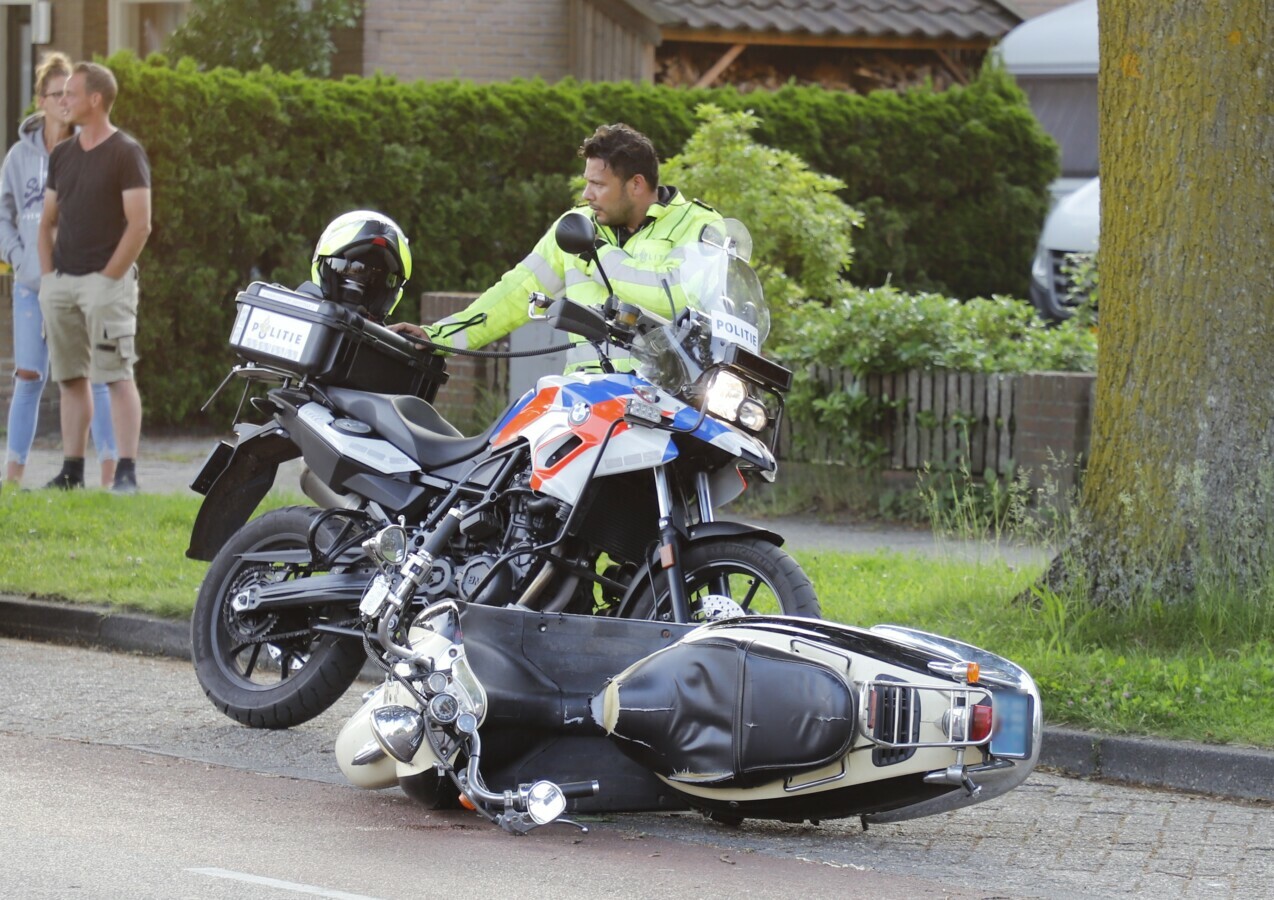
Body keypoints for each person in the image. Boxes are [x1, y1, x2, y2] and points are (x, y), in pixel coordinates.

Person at [391, 123, 722, 372]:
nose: (586, 195)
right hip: (586, 405)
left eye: (597, 184)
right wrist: (436, 337)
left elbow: (676, 297)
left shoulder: (699, 225)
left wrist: (597, 255)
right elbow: (514, 294)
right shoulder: (577, 225)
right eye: (586, 182)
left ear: (636, 184)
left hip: (668, 406)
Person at [0, 52, 117, 490]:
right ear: (41, 100)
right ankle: (13, 476)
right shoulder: (18, 158)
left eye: (72, 93)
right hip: (31, 285)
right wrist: (17, 255)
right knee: (28, 374)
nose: (66, 101)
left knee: (93, 377)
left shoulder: (90, 149)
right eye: (58, 94)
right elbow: (4, 214)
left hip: (81, 283)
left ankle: (109, 476)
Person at [37, 61, 150, 493]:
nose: (62, 100)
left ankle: (126, 472)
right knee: (70, 378)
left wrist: (108, 277)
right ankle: (71, 471)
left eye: (70, 93)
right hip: (62, 283)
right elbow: (47, 221)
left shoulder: (126, 152)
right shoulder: (62, 154)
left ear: (95, 99)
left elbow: (140, 224)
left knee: (117, 375)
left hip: (108, 284)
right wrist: (49, 278)